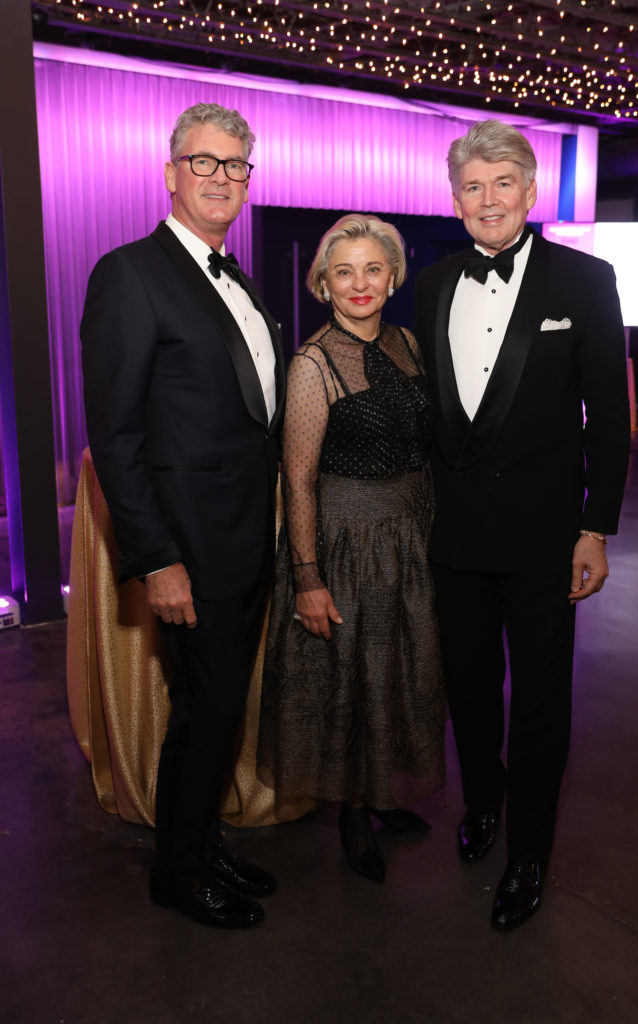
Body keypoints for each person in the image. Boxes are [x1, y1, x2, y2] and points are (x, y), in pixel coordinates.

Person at [413, 120, 631, 930]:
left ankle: (529, 850)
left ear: (530, 191)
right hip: (455, 537)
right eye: (472, 185)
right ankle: (482, 800)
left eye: (502, 181)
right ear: (456, 199)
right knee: (468, 691)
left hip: (545, 536)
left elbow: (607, 417)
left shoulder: (584, 280)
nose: (487, 198)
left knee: (539, 699)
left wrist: (593, 527)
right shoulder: (433, 284)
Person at [80, 103, 286, 929]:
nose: (223, 178)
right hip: (189, 548)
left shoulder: (236, 275)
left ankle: (200, 838)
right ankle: (178, 868)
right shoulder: (130, 272)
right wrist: (154, 556)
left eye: (237, 165)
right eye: (205, 163)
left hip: (246, 537)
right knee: (203, 708)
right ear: (171, 173)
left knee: (221, 704)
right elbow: (116, 433)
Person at [257, 214, 445, 883]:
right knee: (348, 683)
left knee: (397, 672)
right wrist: (307, 577)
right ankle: (350, 814)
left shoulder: (408, 344)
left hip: (406, 538)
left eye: (372, 269)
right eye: (344, 272)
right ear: (323, 285)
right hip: (345, 544)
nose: (359, 283)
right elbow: (298, 479)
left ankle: (381, 795)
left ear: (391, 275)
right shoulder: (312, 364)